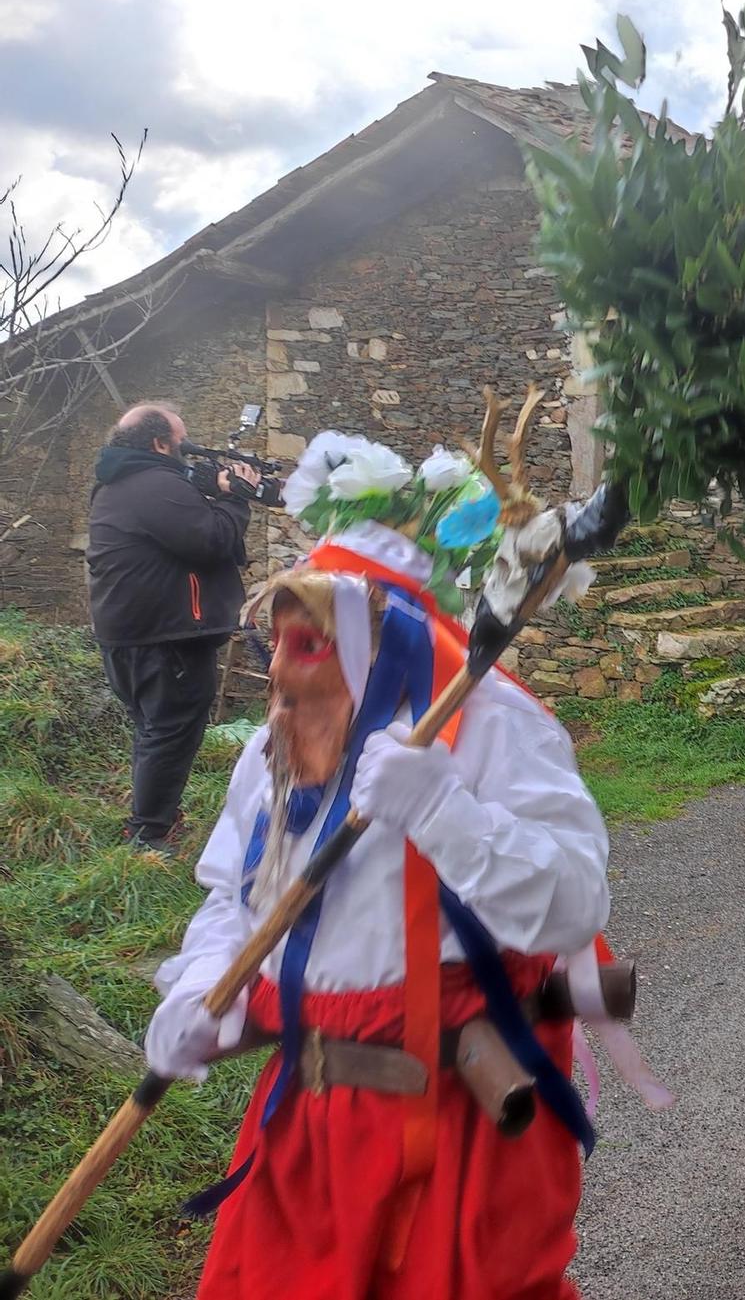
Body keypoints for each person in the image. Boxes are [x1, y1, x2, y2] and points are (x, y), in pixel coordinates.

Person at [141, 432, 618, 1299]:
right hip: (307, 1125)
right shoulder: (270, 748)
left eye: (316, 637)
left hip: (460, 1123)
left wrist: (445, 810)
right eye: (283, 640)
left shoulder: (496, 726)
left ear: (388, 632)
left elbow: (576, 903)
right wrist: (202, 987)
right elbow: (231, 894)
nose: (283, 669)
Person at [87, 400, 261, 853]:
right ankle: (150, 834)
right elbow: (211, 540)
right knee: (170, 729)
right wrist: (237, 496)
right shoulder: (152, 484)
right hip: (164, 636)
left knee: (155, 727)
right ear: (160, 443)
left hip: (134, 633)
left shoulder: (123, 481)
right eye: (183, 442)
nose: (190, 452)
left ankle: (150, 820)